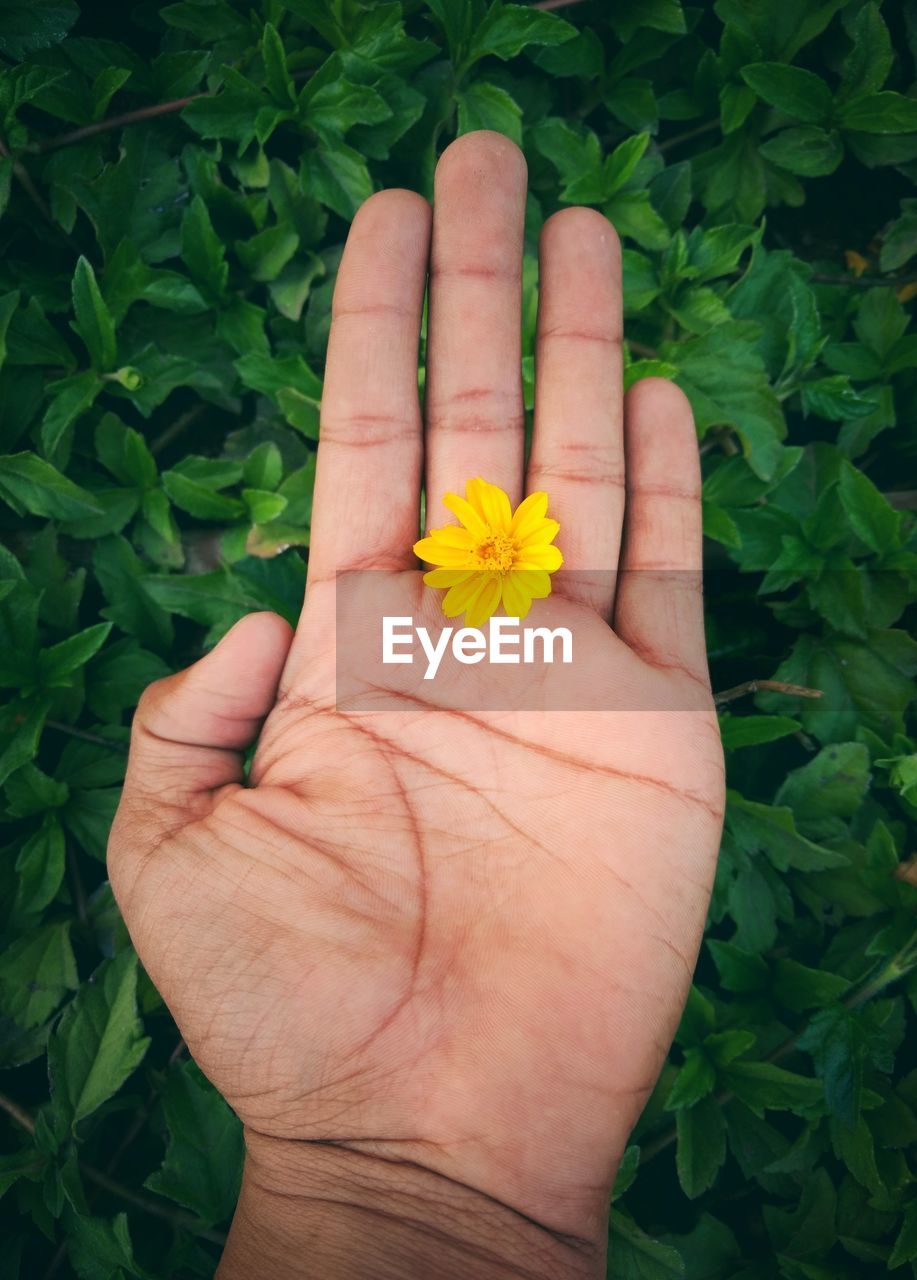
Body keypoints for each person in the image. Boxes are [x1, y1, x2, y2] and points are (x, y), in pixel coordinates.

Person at [107, 130, 726, 1279]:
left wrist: (365, 1186)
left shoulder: (514, 563)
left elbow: (518, 561)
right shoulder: (475, 565)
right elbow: (488, 565)